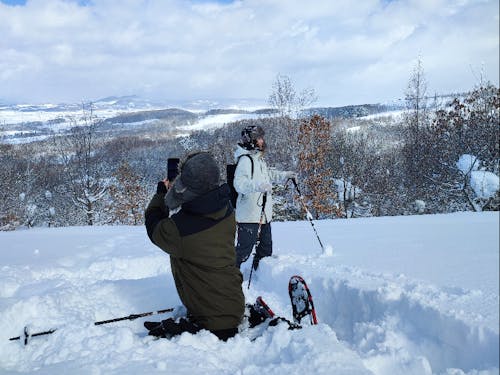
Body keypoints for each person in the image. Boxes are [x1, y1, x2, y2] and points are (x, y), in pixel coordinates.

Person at [144, 151, 245, 341]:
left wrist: (162, 194)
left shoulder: (180, 230)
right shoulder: (227, 211)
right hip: (234, 306)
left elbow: (154, 226)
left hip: (212, 321)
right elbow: (201, 207)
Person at [233, 125, 296, 270]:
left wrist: (285, 175)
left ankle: (261, 273)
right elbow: (239, 184)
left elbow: (269, 175)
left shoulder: (258, 159)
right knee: (243, 252)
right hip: (249, 216)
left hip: (264, 214)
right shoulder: (245, 161)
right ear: (251, 140)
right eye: (259, 138)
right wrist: (258, 185)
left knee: (265, 249)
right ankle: (228, 277)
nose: (262, 141)